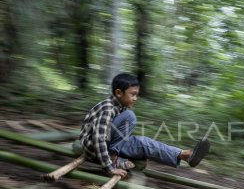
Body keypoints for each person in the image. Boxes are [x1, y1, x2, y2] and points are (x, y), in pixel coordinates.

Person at [79, 73, 210, 178]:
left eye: (137, 94)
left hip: (111, 143)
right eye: (132, 94)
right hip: (93, 148)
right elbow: (98, 139)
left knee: (143, 142)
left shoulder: (120, 107)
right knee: (130, 116)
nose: (135, 98)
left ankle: (184, 155)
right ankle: (114, 158)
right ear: (119, 93)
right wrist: (109, 167)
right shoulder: (108, 109)